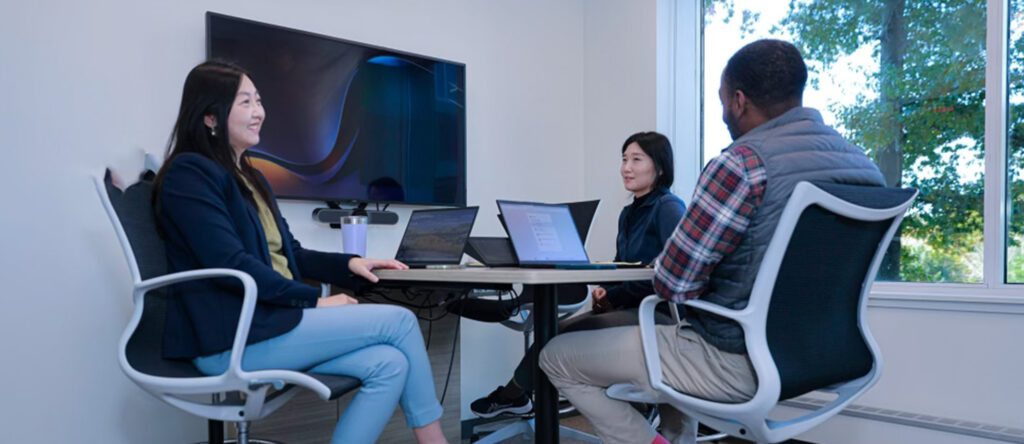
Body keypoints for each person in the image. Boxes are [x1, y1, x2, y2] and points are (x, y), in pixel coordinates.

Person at [538, 39, 886, 444]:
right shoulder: (865, 169)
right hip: (826, 356)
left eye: (722, 101)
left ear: (738, 100)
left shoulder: (742, 163)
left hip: (734, 359)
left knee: (555, 357)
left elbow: (673, 283)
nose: (723, 114)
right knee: (664, 342)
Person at [153, 61, 449, 444]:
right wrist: (314, 301)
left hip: (271, 323)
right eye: (245, 102)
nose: (259, 111)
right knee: (401, 322)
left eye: (258, 100)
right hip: (233, 336)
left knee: (388, 363)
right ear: (210, 116)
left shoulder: (251, 175)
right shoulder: (189, 174)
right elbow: (230, 265)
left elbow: (291, 252)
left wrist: (350, 263)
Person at [469, 131, 686, 418]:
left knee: (559, 336)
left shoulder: (668, 207)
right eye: (624, 159)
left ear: (659, 167)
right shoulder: (628, 214)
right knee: (552, 335)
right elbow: (624, 267)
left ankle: (515, 395)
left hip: (656, 312)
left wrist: (614, 293)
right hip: (630, 307)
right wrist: (605, 291)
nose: (626, 167)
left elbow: (670, 271)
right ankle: (515, 395)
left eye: (636, 159)